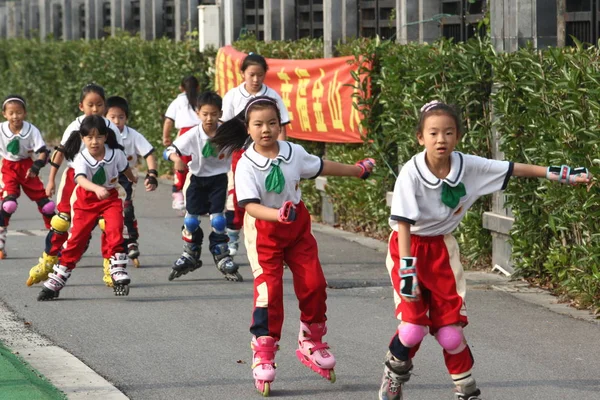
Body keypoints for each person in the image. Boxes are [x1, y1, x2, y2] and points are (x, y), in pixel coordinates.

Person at [378, 100, 592, 400]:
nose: (441, 140)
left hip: (441, 249)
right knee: (413, 328)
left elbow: (514, 169)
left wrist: (563, 174)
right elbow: (402, 223)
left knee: (450, 333)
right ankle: (394, 371)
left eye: (449, 133)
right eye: (434, 133)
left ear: (458, 136)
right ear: (420, 137)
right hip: (407, 248)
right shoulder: (411, 172)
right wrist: (407, 272)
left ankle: (465, 389)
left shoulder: (469, 166)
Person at [211, 96, 375, 396]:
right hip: (265, 232)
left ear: (280, 125)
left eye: (272, 123)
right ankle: (264, 350)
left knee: (314, 283)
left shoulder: (292, 152)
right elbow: (249, 206)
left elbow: (322, 166)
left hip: (297, 228)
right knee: (269, 293)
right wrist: (277, 214)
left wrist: (358, 170)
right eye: (258, 124)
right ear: (248, 128)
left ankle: (311, 339)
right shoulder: (246, 163)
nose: (266, 130)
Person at [26, 83, 122, 287]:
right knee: (61, 222)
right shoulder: (75, 125)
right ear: (81, 106)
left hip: (104, 181)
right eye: (90, 105)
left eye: (99, 105)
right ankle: (48, 261)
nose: (95, 109)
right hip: (75, 178)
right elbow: (60, 152)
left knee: (108, 224)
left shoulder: (110, 127)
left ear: (105, 105)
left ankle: (110, 268)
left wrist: (124, 184)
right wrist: (51, 179)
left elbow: (118, 157)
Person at [37, 115, 137, 301]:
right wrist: (96, 188)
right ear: (82, 139)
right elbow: (80, 179)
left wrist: (132, 178)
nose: (94, 142)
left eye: (98, 137)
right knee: (76, 239)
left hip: (110, 199)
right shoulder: (80, 158)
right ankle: (58, 278)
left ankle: (117, 269)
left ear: (106, 137)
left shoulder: (116, 153)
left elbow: (125, 168)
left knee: (115, 229)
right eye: (89, 138)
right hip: (86, 201)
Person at [165, 91, 242, 282]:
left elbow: (249, 142)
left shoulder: (227, 132)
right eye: (205, 114)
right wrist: (176, 160)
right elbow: (169, 151)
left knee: (218, 221)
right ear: (198, 113)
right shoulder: (192, 134)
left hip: (218, 180)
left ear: (220, 113)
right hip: (197, 180)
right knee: (191, 222)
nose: (209, 118)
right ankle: (191, 252)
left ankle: (222, 254)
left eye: (214, 114)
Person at [220, 53, 290, 258]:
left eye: (260, 75)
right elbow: (225, 127)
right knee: (238, 195)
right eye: (251, 74)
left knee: (271, 195)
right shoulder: (233, 96)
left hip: (269, 154)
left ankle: (276, 245)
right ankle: (232, 237)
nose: (255, 79)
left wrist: (283, 153)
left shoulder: (273, 96)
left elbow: (282, 126)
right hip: (241, 154)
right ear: (242, 74)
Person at [101, 96, 158, 277]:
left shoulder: (132, 135)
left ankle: (131, 240)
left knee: (126, 209)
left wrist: (152, 174)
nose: (117, 121)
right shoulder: (101, 134)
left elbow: (149, 153)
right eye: (112, 117)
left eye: (121, 117)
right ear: (105, 117)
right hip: (104, 179)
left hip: (126, 178)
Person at [0, 95, 55, 258]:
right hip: (8, 167)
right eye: (11, 113)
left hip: (27, 166)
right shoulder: (1, 129)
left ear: (25, 113)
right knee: (8, 204)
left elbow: (43, 151)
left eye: (18, 112)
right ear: (4, 114)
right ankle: (1, 242)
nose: (15, 116)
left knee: (47, 206)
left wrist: (36, 166)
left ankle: (57, 239)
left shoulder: (31, 130)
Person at [162, 76, 201, 214]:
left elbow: (168, 121)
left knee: (181, 165)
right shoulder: (201, 100)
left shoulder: (177, 102)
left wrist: (165, 137)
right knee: (201, 165)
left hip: (184, 134)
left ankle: (178, 195)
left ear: (181, 88)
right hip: (200, 134)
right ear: (198, 87)